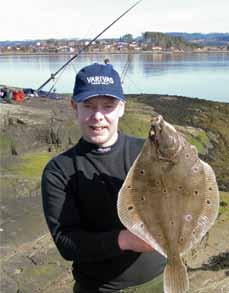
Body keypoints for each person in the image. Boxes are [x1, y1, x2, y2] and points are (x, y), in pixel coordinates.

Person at [41, 63, 166, 293]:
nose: (97, 116)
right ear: (74, 107)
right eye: (88, 106)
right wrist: (127, 240)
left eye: (108, 106)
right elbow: (66, 243)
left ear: (121, 108)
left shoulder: (147, 154)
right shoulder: (59, 171)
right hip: (100, 288)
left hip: (160, 281)